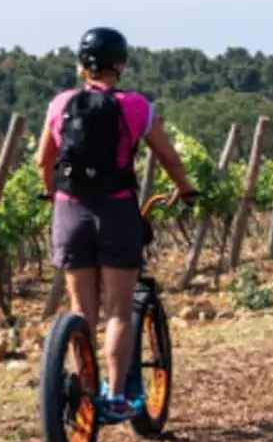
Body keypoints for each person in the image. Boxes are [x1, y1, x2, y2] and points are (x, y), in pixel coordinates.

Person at [36, 27, 198, 419]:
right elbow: (169, 158)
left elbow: (45, 162)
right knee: (119, 312)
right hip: (118, 212)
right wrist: (186, 188)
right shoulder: (137, 106)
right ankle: (113, 395)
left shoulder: (61, 104)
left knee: (81, 310)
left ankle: (84, 388)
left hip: (70, 211)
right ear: (121, 65)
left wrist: (51, 193)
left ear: (81, 67)